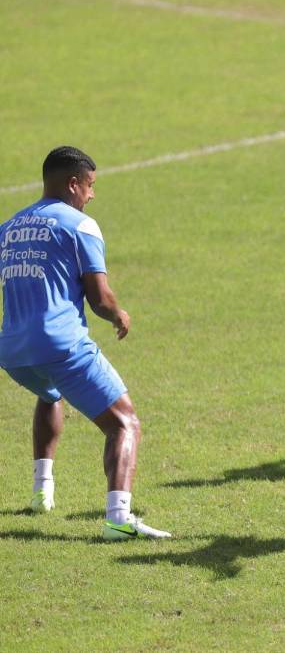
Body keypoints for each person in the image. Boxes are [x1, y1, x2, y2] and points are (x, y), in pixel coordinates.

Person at [0, 146, 170, 541]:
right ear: (72, 183)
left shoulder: (9, 227)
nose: (91, 195)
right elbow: (99, 299)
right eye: (90, 185)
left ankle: (42, 490)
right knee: (125, 423)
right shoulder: (79, 225)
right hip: (61, 343)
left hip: (12, 351)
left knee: (50, 393)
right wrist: (119, 314)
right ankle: (119, 519)